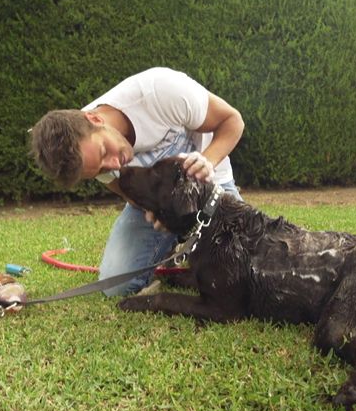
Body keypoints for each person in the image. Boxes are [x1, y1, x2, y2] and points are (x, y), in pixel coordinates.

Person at [29, 67, 244, 296]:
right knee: (115, 286)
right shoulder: (84, 157)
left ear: (93, 118)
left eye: (104, 152)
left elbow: (232, 120)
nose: (114, 165)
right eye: (100, 169)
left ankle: (189, 243)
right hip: (159, 202)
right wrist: (158, 212)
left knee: (240, 264)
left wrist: (206, 161)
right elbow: (127, 192)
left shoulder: (161, 91)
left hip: (210, 188)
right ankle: (176, 244)